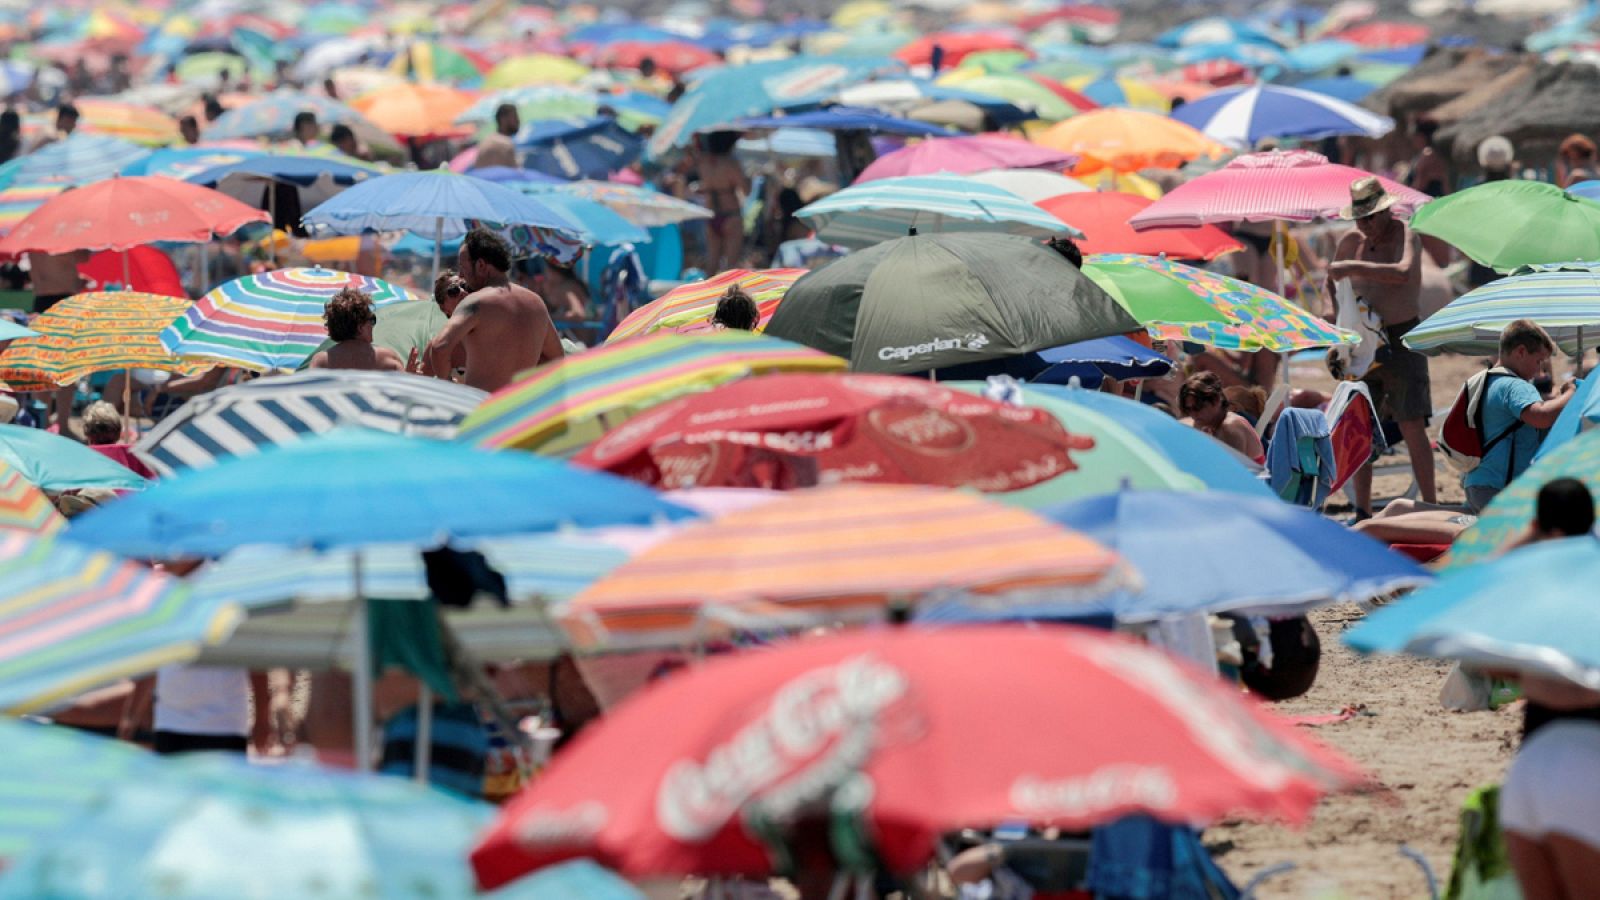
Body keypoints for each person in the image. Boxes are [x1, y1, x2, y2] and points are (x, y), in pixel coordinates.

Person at [1491, 479, 1600, 900]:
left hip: (1528, 768)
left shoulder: (1528, 593)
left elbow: (1488, 660)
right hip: (1587, 763)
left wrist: (1528, 538)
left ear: (1537, 524)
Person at [1328, 176, 1435, 518]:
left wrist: (1354, 267)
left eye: (1371, 216)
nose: (1365, 224)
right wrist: (1337, 337)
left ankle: (1430, 506)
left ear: (1387, 210)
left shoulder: (1406, 234)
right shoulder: (1349, 241)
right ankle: (1362, 509)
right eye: (1360, 218)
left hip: (1401, 336)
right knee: (1359, 424)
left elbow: (1403, 273)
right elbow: (1333, 287)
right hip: (1361, 342)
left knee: (1411, 422)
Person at [422, 229, 563, 391]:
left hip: (481, 405)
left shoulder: (476, 302)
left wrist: (447, 385)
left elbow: (440, 346)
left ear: (481, 265)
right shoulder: (536, 302)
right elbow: (556, 359)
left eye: (463, 267)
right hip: (518, 408)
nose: (461, 275)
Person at [1461, 320, 1576, 513]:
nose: (1539, 371)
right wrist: (1571, 393)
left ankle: (1403, 510)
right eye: (1538, 361)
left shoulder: (1488, 380)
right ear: (1521, 352)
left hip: (1478, 483)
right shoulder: (1516, 385)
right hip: (1499, 488)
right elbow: (1540, 417)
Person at [307, 287, 404, 372]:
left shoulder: (321, 361)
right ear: (360, 327)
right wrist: (411, 377)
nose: (372, 325)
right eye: (371, 320)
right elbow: (403, 390)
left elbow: (309, 390)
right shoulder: (387, 358)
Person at [1178, 371, 1264, 463]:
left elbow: (1229, 473)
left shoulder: (1230, 428)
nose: (1193, 414)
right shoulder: (1208, 422)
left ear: (1216, 400)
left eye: (1198, 407)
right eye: (1188, 409)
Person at [695, 131, 749, 273]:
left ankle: (707, 293)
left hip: (711, 214)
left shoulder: (703, 162)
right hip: (731, 214)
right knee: (731, 266)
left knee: (712, 264)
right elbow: (746, 190)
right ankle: (730, 295)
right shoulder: (731, 164)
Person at [81, 401, 156, 478]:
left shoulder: (81, 457)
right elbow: (153, 482)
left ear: (86, 433)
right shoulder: (133, 455)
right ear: (119, 431)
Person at [474, 103, 520, 170]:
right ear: (503, 119)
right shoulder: (503, 144)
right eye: (514, 117)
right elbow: (513, 173)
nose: (518, 121)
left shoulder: (487, 140)